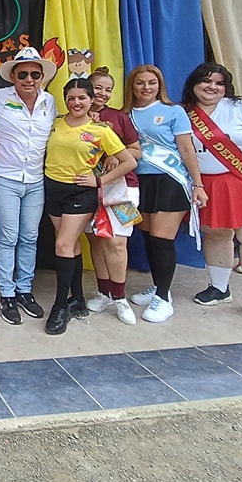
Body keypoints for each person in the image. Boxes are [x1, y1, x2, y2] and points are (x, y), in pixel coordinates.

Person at [182, 62, 242, 327]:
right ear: (194, 84)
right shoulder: (183, 113)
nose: (212, 87)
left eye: (219, 83)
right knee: (216, 234)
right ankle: (219, 288)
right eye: (206, 81)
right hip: (205, 185)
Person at [0, 47, 58, 326]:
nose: (29, 79)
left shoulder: (50, 102)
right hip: (4, 177)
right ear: (13, 77)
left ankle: (24, 290)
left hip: (35, 179)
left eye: (35, 74)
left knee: (30, 236)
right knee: (8, 236)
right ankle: (7, 294)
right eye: (23, 74)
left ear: (42, 77)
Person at [43, 78, 137, 335]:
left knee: (63, 244)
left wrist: (99, 181)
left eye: (82, 98)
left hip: (81, 193)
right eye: (71, 98)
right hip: (53, 189)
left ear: (91, 100)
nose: (76, 103)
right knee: (71, 245)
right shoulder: (55, 123)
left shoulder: (101, 130)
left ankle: (60, 306)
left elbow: (129, 161)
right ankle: (77, 299)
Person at [124, 64, 206, 323]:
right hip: (139, 181)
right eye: (140, 82)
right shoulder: (125, 114)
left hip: (169, 180)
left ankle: (163, 298)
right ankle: (160, 286)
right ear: (132, 86)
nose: (146, 87)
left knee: (162, 239)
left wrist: (198, 184)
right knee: (149, 237)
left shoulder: (174, 112)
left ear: (160, 85)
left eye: (152, 82)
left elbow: (187, 149)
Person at [83, 68, 143, 325]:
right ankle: (104, 292)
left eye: (108, 90)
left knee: (118, 242)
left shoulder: (120, 117)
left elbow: (137, 151)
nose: (103, 93)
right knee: (96, 240)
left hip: (125, 189)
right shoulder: (76, 117)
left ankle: (120, 298)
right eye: (98, 88)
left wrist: (116, 156)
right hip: (87, 188)